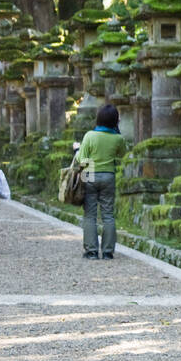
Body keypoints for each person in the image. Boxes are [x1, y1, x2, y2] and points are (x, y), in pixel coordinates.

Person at [73, 104, 128, 259]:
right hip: (108, 175)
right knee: (108, 214)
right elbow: (123, 153)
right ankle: (108, 251)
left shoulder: (90, 136)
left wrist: (77, 151)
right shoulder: (118, 138)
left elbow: (82, 159)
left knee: (90, 214)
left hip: (90, 173)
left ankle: (91, 250)